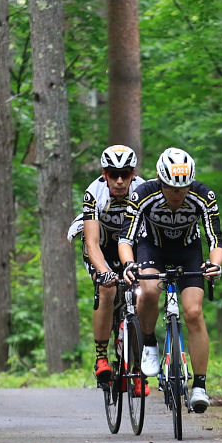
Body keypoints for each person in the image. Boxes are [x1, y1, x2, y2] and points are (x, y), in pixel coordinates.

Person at [117, 147, 222, 413]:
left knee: (193, 312)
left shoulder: (203, 195)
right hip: (151, 247)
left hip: (188, 251)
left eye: (184, 188)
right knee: (150, 290)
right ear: (160, 181)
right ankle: (150, 343)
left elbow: (215, 240)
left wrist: (215, 264)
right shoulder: (143, 194)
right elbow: (125, 239)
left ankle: (199, 385)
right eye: (172, 189)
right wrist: (129, 264)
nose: (178, 195)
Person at [67, 144, 145, 385]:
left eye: (125, 174)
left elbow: (148, 236)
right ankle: (101, 357)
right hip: (102, 248)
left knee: (142, 294)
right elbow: (91, 242)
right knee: (107, 288)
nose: (120, 180)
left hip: (132, 248)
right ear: (104, 174)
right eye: (113, 174)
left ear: (133, 174)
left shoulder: (143, 190)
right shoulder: (94, 192)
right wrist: (104, 272)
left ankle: (138, 365)